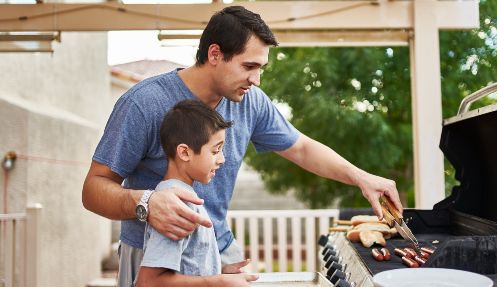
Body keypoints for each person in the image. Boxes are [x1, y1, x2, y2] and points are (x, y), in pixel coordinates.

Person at [82, 5, 403, 287]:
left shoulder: (250, 102)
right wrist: (148, 202)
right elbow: (93, 189)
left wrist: (362, 178)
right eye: (249, 67)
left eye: (261, 68)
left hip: (216, 244)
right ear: (214, 55)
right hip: (152, 254)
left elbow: (302, 148)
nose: (257, 80)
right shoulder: (144, 103)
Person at [135, 100, 257, 287]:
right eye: (216, 151)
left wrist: (220, 272)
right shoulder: (177, 205)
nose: (222, 159)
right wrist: (218, 282)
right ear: (184, 152)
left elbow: (186, 266)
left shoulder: (183, 196)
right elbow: (149, 281)